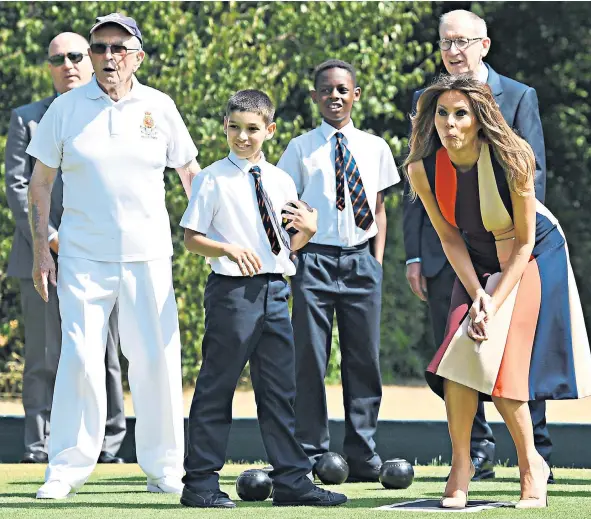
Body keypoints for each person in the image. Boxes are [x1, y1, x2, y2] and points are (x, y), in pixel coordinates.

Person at [26, 13, 201, 499]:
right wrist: (43, 249)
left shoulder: (160, 106)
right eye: (99, 47)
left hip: (149, 255)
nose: (107, 57)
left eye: (118, 48)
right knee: (79, 359)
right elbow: (40, 184)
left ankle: (165, 467)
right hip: (83, 255)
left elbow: (190, 175)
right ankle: (65, 467)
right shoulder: (66, 108)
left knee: (156, 360)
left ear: (137, 56)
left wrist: (214, 235)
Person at [404, 74, 591, 509]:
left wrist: (493, 304)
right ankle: (461, 466)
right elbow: (450, 239)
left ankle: (532, 468)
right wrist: (477, 296)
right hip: (475, 262)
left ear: (479, 119)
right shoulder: (422, 168)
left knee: (503, 363)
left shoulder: (513, 159)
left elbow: (525, 242)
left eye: (460, 115)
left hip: (532, 256)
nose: (449, 124)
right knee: (457, 361)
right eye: (441, 114)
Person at [402, 8, 551, 481]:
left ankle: (535, 456)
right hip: (454, 246)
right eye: (446, 43)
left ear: (484, 45)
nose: (454, 51)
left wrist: (512, 257)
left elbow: (534, 176)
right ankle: (472, 457)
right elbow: (418, 181)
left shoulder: (519, 96)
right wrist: (414, 252)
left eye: (463, 42)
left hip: (517, 248)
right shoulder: (428, 100)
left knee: (512, 360)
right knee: (457, 356)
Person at [179, 89, 347, 508]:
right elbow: (191, 238)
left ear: (269, 130)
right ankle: (199, 484)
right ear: (224, 127)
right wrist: (228, 249)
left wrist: (309, 230)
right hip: (233, 294)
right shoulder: (212, 178)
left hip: (276, 292)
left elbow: (289, 246)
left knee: (279, 391)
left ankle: (292, 481)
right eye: (234, 127)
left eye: (252, 129)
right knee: (217, 387)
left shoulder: (281, 180)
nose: (242, 136)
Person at [4, 31, 126, 465]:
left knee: (106, 351)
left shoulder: (112, 114)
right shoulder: (26, 118)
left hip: (101, 254)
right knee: (42, 357)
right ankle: (40, 448)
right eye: (59, 59)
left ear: (92, 60)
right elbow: (19, 188)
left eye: (77, 55)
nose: (69, 64)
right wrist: (50, 237)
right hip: (41, 256)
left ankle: (111, 446)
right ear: (49, 68)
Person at [277, 59, 400, 481]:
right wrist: (293, 256)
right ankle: (314, 452)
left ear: (356, 95)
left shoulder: (375, 147)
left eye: (343, 89)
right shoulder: (299, 148)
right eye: (326, 90)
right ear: (315, 97)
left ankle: (363, 454)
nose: (335, 96)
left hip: (361, 260)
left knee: (363, 358)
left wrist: (377, 262)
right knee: (310, 358)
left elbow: (380, 209)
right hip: (313, 261)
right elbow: (285, 206)